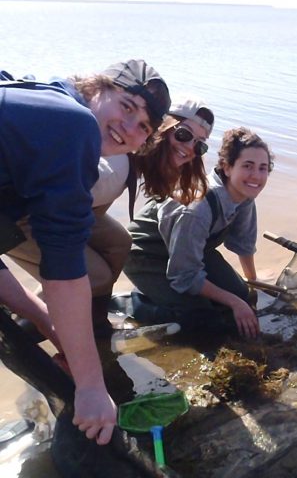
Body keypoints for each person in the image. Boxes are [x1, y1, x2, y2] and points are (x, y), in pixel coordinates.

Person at [0, 59, 170, 445]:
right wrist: (92, 387)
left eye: (144, 125)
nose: (130, 128)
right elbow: (62, 267)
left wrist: (45, 319)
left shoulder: (41, 95)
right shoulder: (73, 124)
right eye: (126, 106)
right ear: (97, 88)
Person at [124, 127, 273, 339]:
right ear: (227, 167)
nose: (256, 176)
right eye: (247, 166)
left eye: (263, 168)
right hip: (146, 255)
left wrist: (252, 285)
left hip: (190, 249)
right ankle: (137, 303)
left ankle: (175, 296)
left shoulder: (245, 194)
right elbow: (184, 276)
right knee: (200, 318)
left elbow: (243, 243)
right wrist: (234, 302)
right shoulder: (197, 209)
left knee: (241, 293)